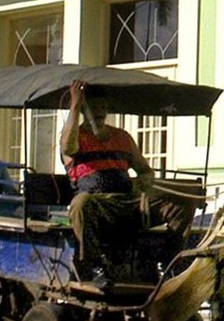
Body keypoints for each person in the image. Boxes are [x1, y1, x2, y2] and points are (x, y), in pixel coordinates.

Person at [60, 82, 154, 282]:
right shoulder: (76, 137)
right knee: (80, 204)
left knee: (179, 201)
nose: (100, 112)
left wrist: (144, 181)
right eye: (94, 107)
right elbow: (68, 148)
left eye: (103, 107)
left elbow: (145, 171)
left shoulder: (122, 137)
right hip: (97, 203)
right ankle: (93, 266)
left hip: (127, 203)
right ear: (85, 111)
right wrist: (75, 104)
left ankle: (171, 259)